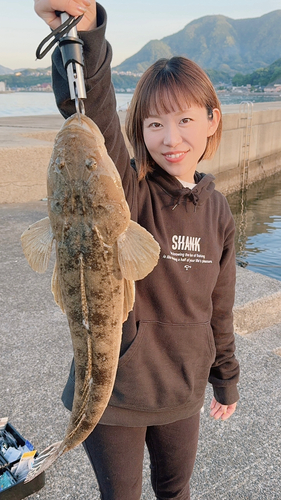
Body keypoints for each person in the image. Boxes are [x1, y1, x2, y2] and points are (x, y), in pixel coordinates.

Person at [35, 2, 240, 499]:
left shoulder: (219, 212)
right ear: (137, 132)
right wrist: (79, 34)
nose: (171, 139)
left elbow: (221, 306)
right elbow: (90, 111)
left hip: (181, 393)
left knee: (176, 491)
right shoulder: (129, 193)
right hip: (116, 396)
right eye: (153, 125)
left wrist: (224, 378)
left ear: (212, 121)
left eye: (185, 121)